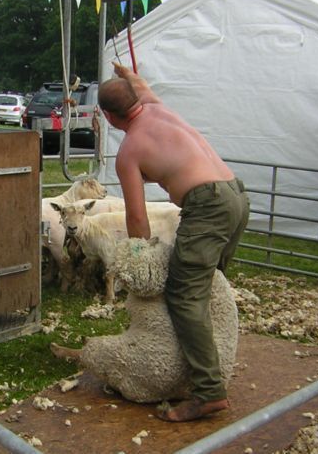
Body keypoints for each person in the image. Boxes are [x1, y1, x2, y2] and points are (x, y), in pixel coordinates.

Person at [98, 62, 250, 422]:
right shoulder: (155, 106)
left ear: (107, 116)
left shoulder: (130, 151)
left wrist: (140, 258)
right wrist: (126, 73)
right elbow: (139, 83)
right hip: (236, 196)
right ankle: (206, 365)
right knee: (208, 288)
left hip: (207, 205)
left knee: (185, 296)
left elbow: (137, 217)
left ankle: (209, 392)